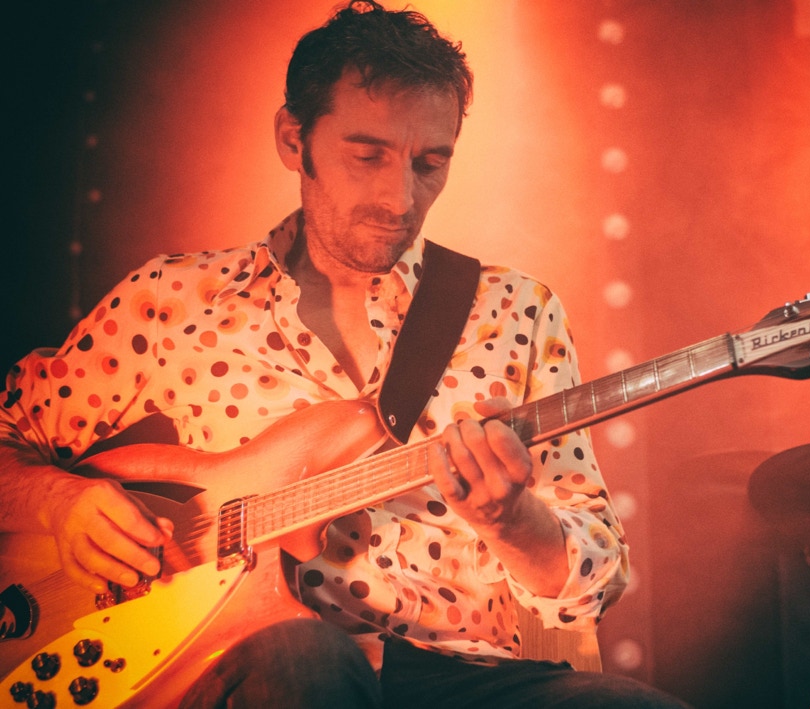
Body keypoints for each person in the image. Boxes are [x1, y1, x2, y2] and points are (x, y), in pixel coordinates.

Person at [0, 2, 688, 707]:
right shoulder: (174, 298)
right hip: (245, 658)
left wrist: (511, 519)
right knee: (307, 660)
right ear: (292, 139)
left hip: (465, 677)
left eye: (430, 163)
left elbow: (590, 586)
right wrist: (58, 502)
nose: (400, 198)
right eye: (367, 156)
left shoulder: (516, 309)